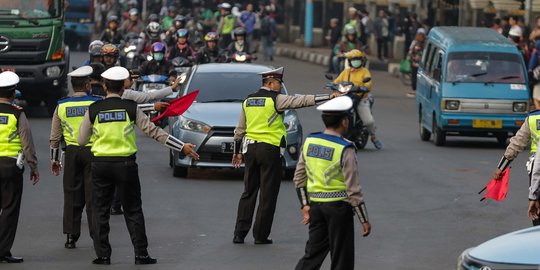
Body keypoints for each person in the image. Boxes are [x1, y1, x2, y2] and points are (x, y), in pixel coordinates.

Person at [77, 66, 199, 265]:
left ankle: (103, 255)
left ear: (105, 86)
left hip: (100, 165)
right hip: (126, 165)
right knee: (133, 210)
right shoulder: (131, 108)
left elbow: (81, 140)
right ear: (123, 88)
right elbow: (154, 132)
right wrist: (181, 147)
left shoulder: (93, 109)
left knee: (100, 211)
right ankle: (141, 254)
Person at [231, 67, 341, 244]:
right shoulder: (276, 99)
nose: (281, 87)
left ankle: (239, 234)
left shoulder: (249, 100)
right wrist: (328, 97)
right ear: (271, 83)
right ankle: (260, 236)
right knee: (268, 194)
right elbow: (300, 101)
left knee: (248, 192)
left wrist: (236, 152)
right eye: (279, 83)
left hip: (249, 150)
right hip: (269, 150)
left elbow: (239, 129)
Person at [293, 96, 371, 270]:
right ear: (344, 122)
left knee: (312, 254)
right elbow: (353, 189)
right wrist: (364, 219)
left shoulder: (310, 141)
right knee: (341, 258)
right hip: (338, 209)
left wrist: (305, 205)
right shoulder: (345, 148)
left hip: (316, 207)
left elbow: (299, 177)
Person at [49, 66, 102, 249]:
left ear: (72, 86)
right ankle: (97, 235)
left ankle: (71, 236)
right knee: (93, 195)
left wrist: (54, 160)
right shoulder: (97, 102)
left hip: (71, 152)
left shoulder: (62, 105)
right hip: (93, 151)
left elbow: (55, 137)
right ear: (87, 84)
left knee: (71, 193)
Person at [0, 71, 39, 263]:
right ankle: (3, 251)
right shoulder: (17, 113)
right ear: (14, 93)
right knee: (9, 209)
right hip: (9, 168)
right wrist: (33, 166)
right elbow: (27, 143)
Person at [493, 109, 540, 225]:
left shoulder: (533, 118)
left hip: (536, 173)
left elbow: (516, 143)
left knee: (537, 218)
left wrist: (501, 167)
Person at [334, 49, 383, 150]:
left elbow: (368, 83)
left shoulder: (365, 71)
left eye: (358, 59)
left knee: (368, 121)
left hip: (361, 98)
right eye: (353, 60)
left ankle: (373, 137)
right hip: (346, 97)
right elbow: (337, 81)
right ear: (350, 61)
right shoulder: (346, 72)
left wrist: (365, 87)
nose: (356, 61)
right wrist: (332, 85)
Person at [406, 28, 426, 97]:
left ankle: (415, 90)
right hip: (419, 63)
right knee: (417, 77)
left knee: (415, 76)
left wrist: (409, 58)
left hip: (417, 63)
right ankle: (416, 90)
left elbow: (410, 51)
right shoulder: (424, 43)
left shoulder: (416, 42)